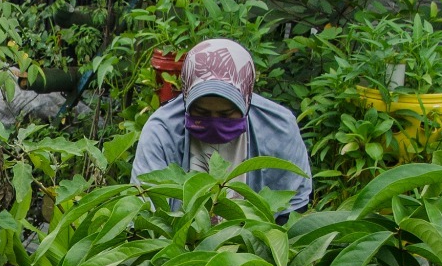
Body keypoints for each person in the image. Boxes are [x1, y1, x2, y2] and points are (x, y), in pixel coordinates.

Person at [131, 38, 312, 216]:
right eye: (202, 112)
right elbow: (145, 208)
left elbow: (293, 205)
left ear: (246, 101)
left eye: (226, 115)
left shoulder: (278, 127)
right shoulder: (162, 131)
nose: (214, 123)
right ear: (186, 97)